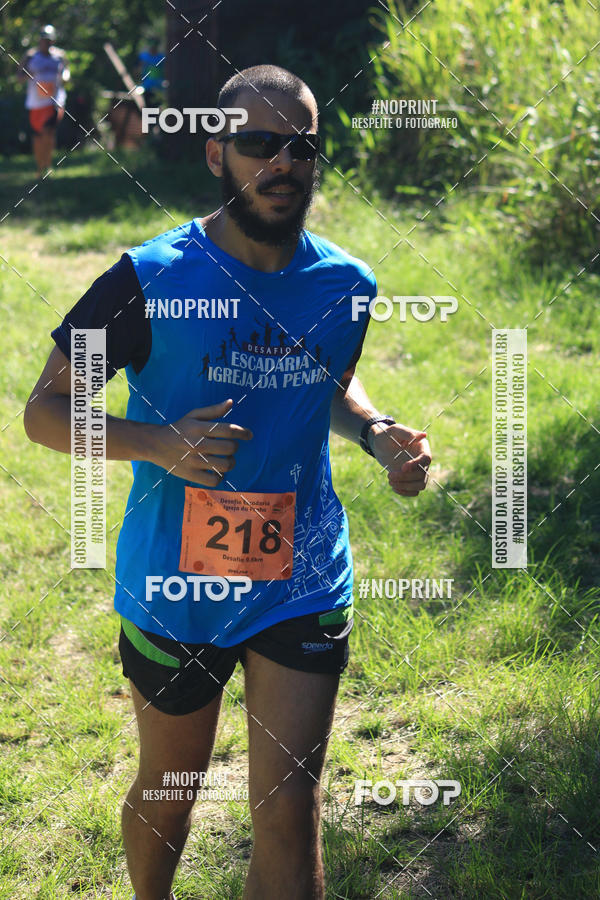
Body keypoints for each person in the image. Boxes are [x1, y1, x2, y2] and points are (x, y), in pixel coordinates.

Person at [24, 65, 432, 900]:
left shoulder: (345, 286)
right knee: (173, 797)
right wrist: (156, 441)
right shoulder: (150, 279)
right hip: (177, 585)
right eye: (258, 144)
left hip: (301, 576)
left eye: (301, 146)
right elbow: (45, 410)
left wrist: (376, 431)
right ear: (217, 153)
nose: (282, 162)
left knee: (290, 808)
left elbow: (324, 382)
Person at [16, 24, 69, 177]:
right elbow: (19, 76)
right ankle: (40, 167)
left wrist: (65, 78)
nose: (47, 43)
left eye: (49, 40)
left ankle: (48, 165)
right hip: (36, 103)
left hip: (54, 102)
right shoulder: (31, 56)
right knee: (39, 135)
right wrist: (28, 75)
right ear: (40, 40)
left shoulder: (59, 56)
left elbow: (66, 71)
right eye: (44, 40)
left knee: (49, 132)